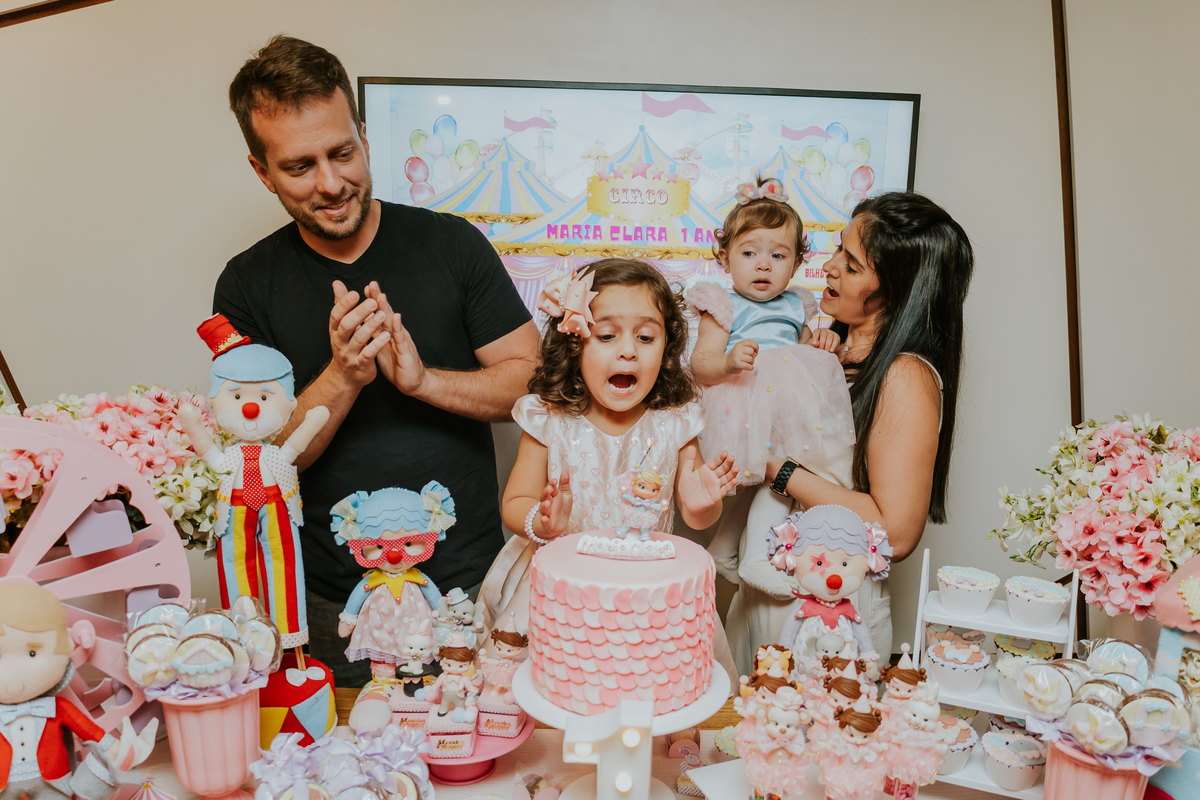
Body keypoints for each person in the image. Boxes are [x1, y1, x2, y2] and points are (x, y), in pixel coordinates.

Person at [216, 36, 539, 687]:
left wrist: (422, 382)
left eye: (342, 153)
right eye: (300, 166)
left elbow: (530, 387)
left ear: (364, 135)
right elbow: (256, 459)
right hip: (331, 607)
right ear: (261, 170)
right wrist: (344, 376)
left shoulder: (453, 246)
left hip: (469, 591)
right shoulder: (247, 285)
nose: (332, 183)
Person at [725, 192, 974, 675]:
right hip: (768, 587)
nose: (830, 267)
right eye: (838, 248)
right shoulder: (819, 348)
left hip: (832, 612)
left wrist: (779, 470)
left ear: (897, 289)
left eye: (852, 265)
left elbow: (896, 533)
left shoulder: (904, 376)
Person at [479, 259, 740, 680]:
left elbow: (696, 516)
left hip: (647, 590)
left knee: (645, 686)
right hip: (559, 588)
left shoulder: (676, 421)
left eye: (646, 336)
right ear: (574, 343)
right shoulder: (550, 418)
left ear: (667, 349)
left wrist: (702, 503)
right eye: (605, 335)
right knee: (553, 689)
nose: (628, 350)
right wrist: (542, 521)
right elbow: (515, 502)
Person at [686, 176, 855, 592]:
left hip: (788, 410)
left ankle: (725, 550)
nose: (763, 265)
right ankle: (756, 559)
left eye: (778, 255)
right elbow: (700, 363)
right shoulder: (722, 305)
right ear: (724, 259)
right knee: (768, 479)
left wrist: (822, 342)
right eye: (749, 253)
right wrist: (727, 362)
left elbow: (801, 359)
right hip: (741, 406)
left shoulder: (797, 303)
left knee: (776, 477)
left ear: (797, 263)